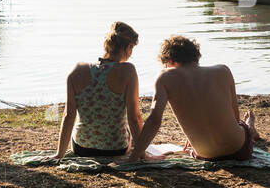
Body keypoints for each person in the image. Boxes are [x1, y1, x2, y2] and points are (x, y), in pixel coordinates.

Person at [125, 34, 257, 163]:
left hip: (205, 154)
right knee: (241, 125)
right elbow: (234, 118)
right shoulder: (223, 70)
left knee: (241, 126)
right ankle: (249, 126)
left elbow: (154, 120)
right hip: (239, 149)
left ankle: (249, 126)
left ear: (170, 61)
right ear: (195, 56)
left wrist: (134, 157)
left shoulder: (165, 77)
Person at [52, 22, 143, 159]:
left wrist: (59, 154)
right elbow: (134, 118)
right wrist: (143, 153)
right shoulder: (128, 70)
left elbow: (68, 116)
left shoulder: (77, 70)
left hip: (82, 148)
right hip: (116, 149)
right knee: (129, 132)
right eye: (132, 49)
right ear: (128, 47)